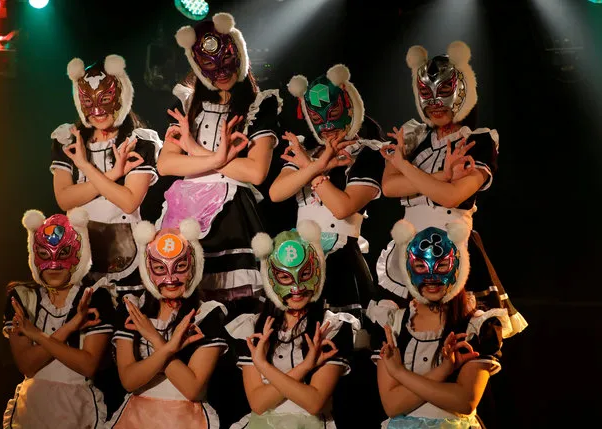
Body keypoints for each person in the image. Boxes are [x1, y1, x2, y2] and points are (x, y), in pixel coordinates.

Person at [377, 41, 526, 337]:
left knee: (461, 341)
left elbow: (451, 196)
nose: (435, 104)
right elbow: (389, 187)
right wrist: (442, 175)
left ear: (462, 92)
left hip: (453, 248)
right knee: (405, 338)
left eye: (444, 93)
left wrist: (406, 166)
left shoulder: (479, 141)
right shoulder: (413, 136)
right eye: (427, 96)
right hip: (409, 251)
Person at [156, 12, 281, 311]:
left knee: (239, 307)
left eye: (226, 63)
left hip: (233, 216)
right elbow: (166, 165)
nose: (220, 72)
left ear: (240, 56)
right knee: (184, 303)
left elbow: (255, 171)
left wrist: (193, 150)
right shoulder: (186, 103)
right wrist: (220, 157)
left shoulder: (259, 105)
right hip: (182, 211)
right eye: (209, 65)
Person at [367, 219, 510, 428]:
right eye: (420, 266)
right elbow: (392, 405)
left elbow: (464, 401)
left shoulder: (477, 325)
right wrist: (443, 371)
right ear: (408, 268)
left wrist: (400, 374)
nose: (431, 277)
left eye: (442, 265)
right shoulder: (392, 324)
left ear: (457, 267)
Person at [270, 64, 385, 323]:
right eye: (319, 118)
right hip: (298, 260)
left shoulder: (368, 153)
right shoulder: (308, 152)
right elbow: (277, 192)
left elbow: (342, 207)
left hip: (342, 261)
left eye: (333, 112)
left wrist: (314, 172)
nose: (328, 126)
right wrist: (317, 164)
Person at [225, 221, 359, 428]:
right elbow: (259, 403)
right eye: (285, 277)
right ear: (271, 278)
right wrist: (306, 367)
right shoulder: (252, 327)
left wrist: (263, 366)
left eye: (304, 274)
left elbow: (314, 403)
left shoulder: (331, 327)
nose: (296, 288)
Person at [50, 53, 162, 297]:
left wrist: (85, 166)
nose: (98, 110)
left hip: (125, 249)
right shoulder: (67, 140)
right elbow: (65, 200)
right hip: (79, 250)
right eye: (89, 103)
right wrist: (114, 174)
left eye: (105, 99)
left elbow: (129, 201)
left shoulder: (140, 141)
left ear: (121, 96)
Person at [107, 218, 228, 428]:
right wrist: (171, 349)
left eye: (180, 266)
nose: (171, 279)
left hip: (185, 419)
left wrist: (154, 338)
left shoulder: (207, 314)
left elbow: (192, 389)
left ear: (193, 266)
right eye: (160, 268)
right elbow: (129, 380)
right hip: (135, 418)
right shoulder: (133, 309)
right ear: (148, 268)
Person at [2, 208, 115, 428]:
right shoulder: (22, 297)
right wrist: (70, 327)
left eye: (63, 253)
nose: (54, 265)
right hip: (31, 409)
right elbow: (27, 364)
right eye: (44, 254)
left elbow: (87, 365)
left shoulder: (94, 296)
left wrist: (36, 335)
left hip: (78, 410)